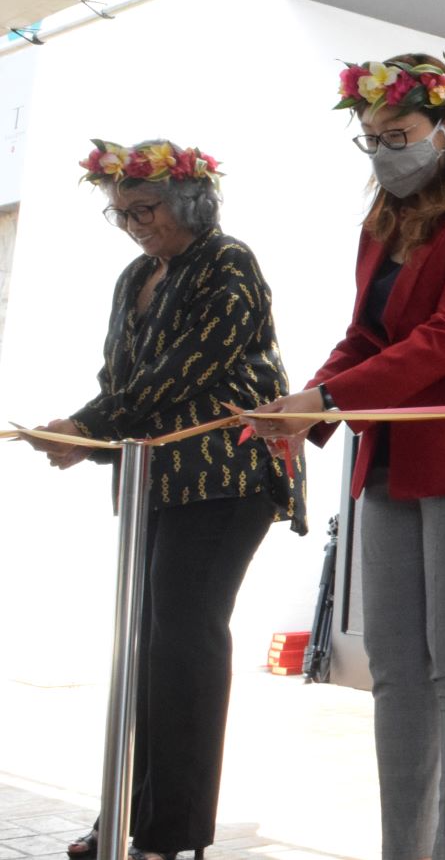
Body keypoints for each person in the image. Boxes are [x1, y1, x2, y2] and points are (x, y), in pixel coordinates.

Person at [254, 54, 445, 860]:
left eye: (398, 134)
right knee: (394, 669)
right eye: (371, 137)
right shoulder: (385, 220)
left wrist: (328, 400)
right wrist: (303, 405)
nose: (384, 150)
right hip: (394, 452)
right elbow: (366, 335)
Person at [30, 140, 305, 860]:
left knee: (182, 641)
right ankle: (128, 810)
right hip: (153, 476)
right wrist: (86, 432)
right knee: (147, 647)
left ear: (189, 201)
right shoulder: (135, 276)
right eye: (120, 213)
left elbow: (187, 371)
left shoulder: (228, 261)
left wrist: (86, 428)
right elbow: (122, 377)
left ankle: (169, 832)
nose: (132, 224)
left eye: (144, 209)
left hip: (224, 476)